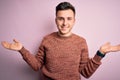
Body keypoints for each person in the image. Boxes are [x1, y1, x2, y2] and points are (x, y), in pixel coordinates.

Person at [1, 2, 120, 80]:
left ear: (74, 21)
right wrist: (21, 50)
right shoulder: (47, 40)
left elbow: (85, 73)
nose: (64, 23)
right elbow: (37, 66)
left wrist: (100, 54)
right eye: (61, 19)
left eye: (69, 19)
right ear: (56, 20)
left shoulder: (81, 42)